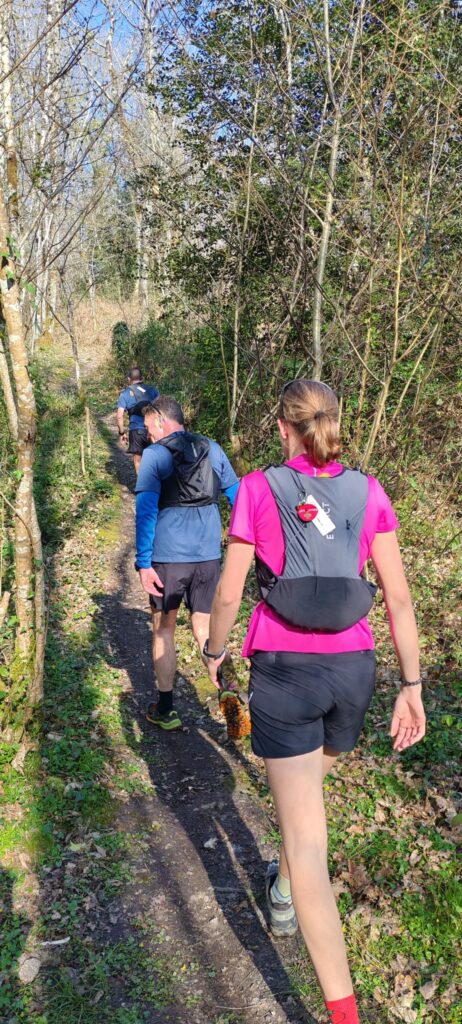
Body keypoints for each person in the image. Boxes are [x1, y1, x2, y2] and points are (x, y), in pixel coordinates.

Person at [203, 379, 426, 1024]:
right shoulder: (369, 490)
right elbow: (398, 599)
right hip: (353, 673)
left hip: (287, 671)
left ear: (283, 427)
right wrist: (411, 687)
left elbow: (229, 592)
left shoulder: (257, 489)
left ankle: (343, 1013)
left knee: (305, 841)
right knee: (306, 800)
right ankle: (282, 886)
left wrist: (215, 650)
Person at [135, 395, 239, 730]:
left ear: (162, 421)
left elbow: (146, 511)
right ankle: (229, 689)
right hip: (207, 557)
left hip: (169, 558)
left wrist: (143, 563)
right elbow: (237, 496)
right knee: (205, 627)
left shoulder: (155, 455)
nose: (148, 434)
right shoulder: (212, 448)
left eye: (149, 427)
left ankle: (165, 710)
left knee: (163, 629)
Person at [117, 367, 159, 474]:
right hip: (153, 429)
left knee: (138, 461)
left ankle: (141, 483)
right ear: (142, 378)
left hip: (136, 430)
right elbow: (161, 409)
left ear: (129, 379)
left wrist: (122, 433)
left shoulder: (125, 393)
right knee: (154, 460)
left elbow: (119, 416)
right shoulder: (153, 391)